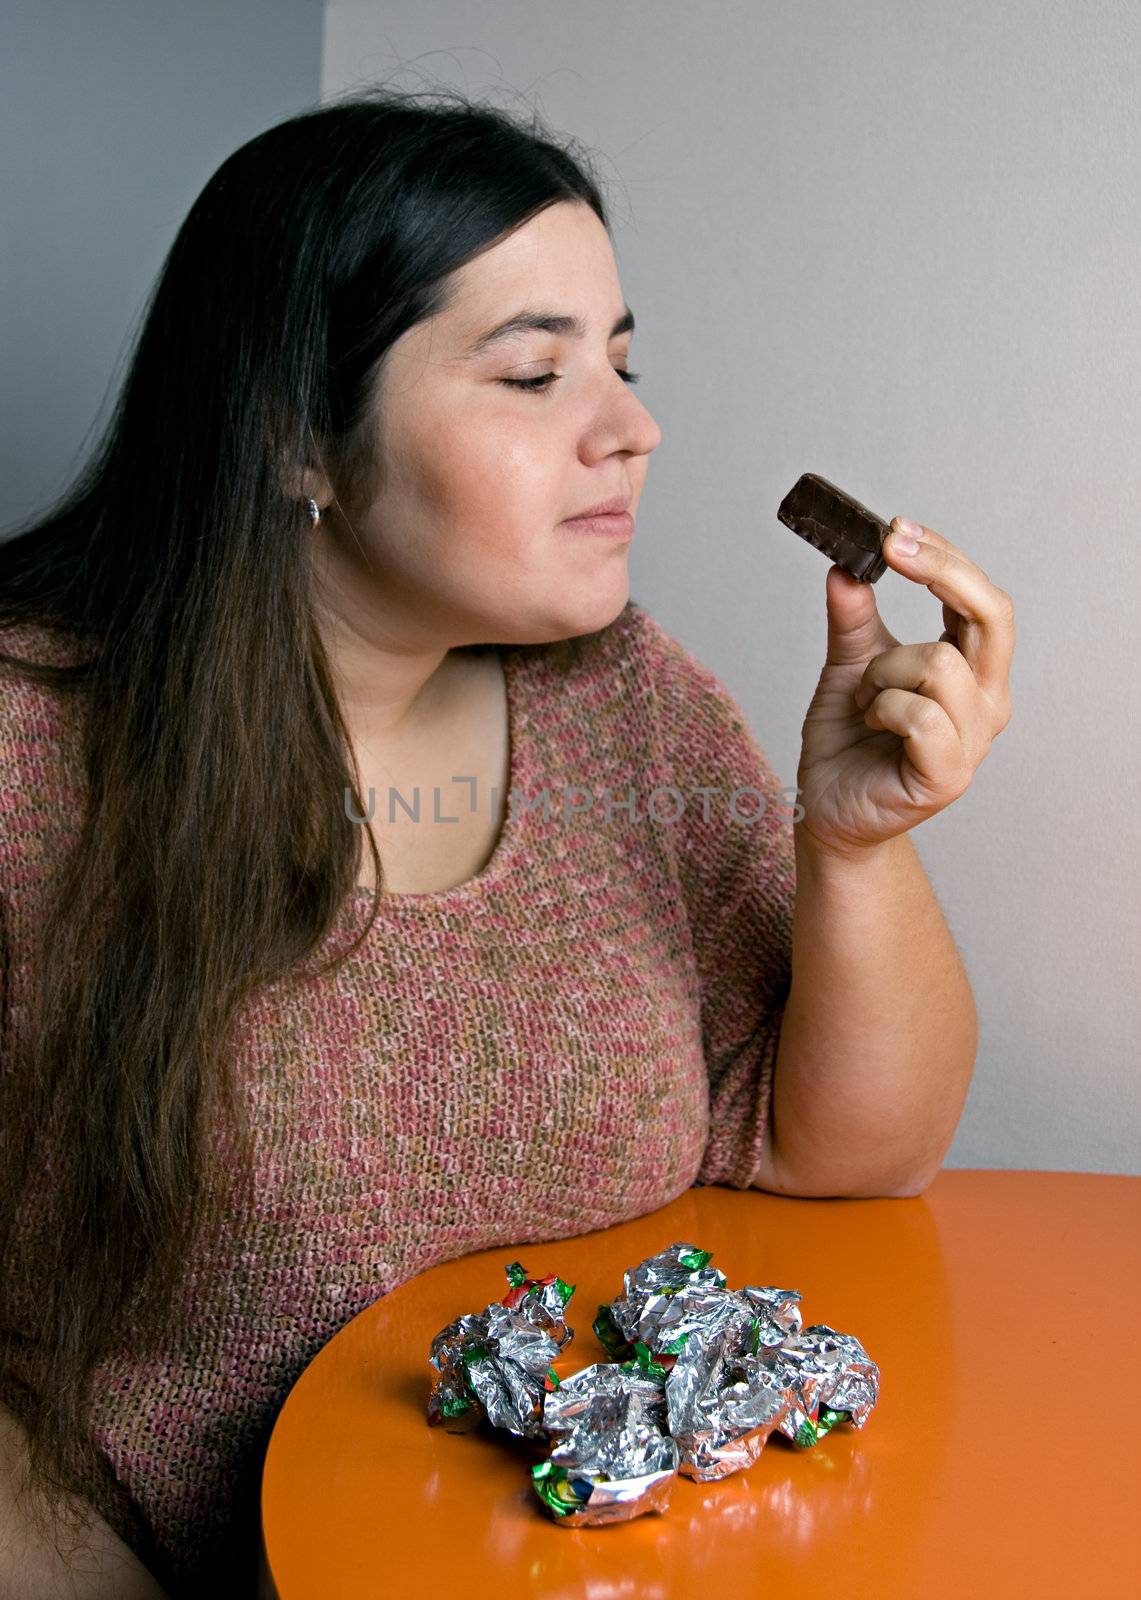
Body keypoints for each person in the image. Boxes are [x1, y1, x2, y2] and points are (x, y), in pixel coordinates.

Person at [0, 87, 1014, 1597]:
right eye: (533, 373)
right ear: (297, 440)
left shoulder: (628, 703)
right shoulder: (29, 750)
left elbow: (845, 1155)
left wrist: (854, 847)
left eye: (620, 360)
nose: (632, 426)